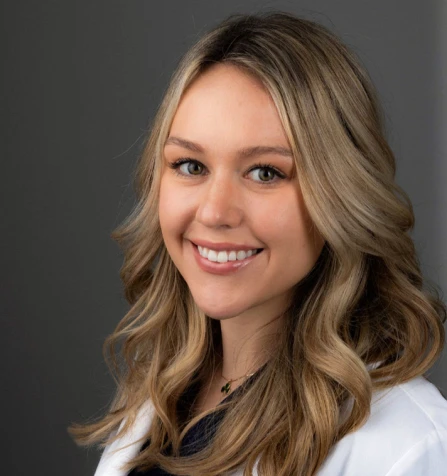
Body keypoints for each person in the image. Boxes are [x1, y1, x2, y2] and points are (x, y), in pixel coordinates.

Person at [70, 11, 447, 476]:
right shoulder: (163, 392)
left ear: (341, 194)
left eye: (265, 172)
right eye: (190, 165)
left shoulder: (405, 447)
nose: (213, 212)